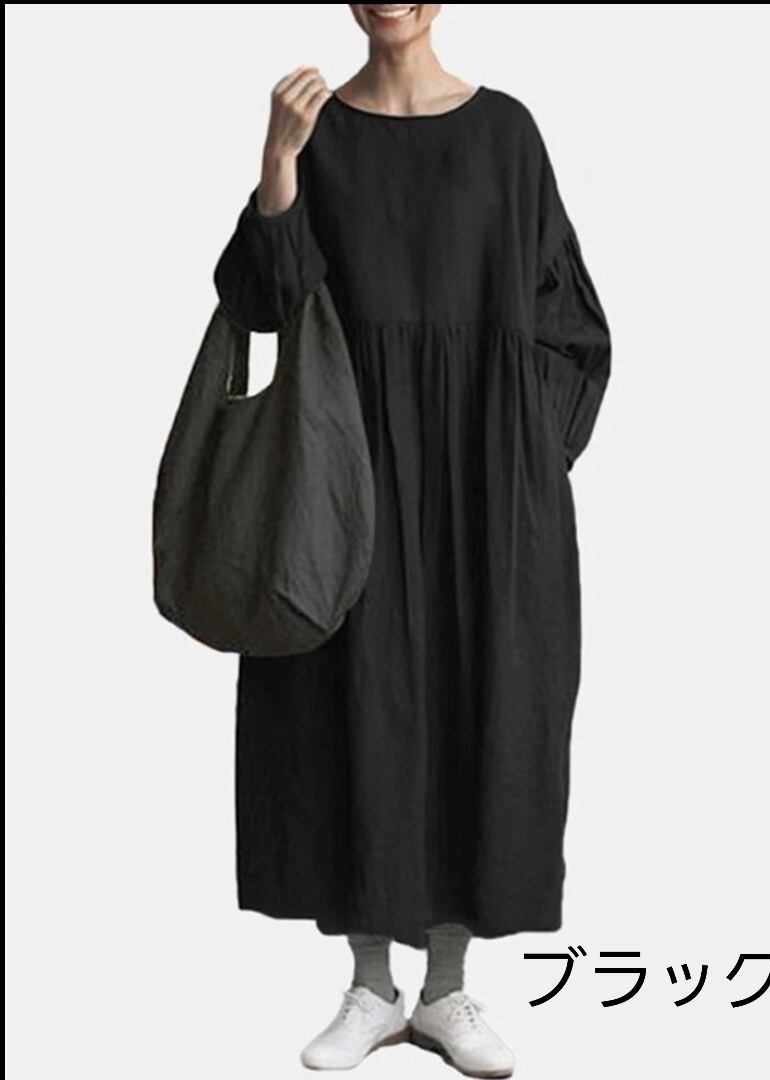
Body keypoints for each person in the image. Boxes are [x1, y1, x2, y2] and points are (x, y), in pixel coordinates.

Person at [212, 5, 611, 1076]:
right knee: (346, 708)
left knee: (484, 704)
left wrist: (522, 461)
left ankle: (444, 994)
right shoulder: (314, 128)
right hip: (345, 482)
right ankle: (369, 987)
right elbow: (263, 306)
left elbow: (573, 321)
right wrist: (278, 168)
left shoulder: (506, 132)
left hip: (486, 484)